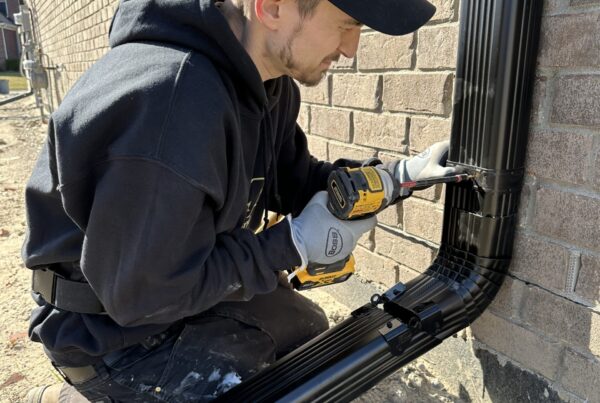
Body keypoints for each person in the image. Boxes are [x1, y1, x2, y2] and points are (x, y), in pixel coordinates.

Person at [23, 0, 454, 401]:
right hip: (111, 337)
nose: (350, 49)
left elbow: (294, 179)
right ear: (272, 8)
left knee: (310, 334)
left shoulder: (267, 86)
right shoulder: (169, 105)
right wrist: (294, 244)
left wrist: (395, 178)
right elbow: (141, 296)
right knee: (291, 384)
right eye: (346, 24)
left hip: (167, 281)